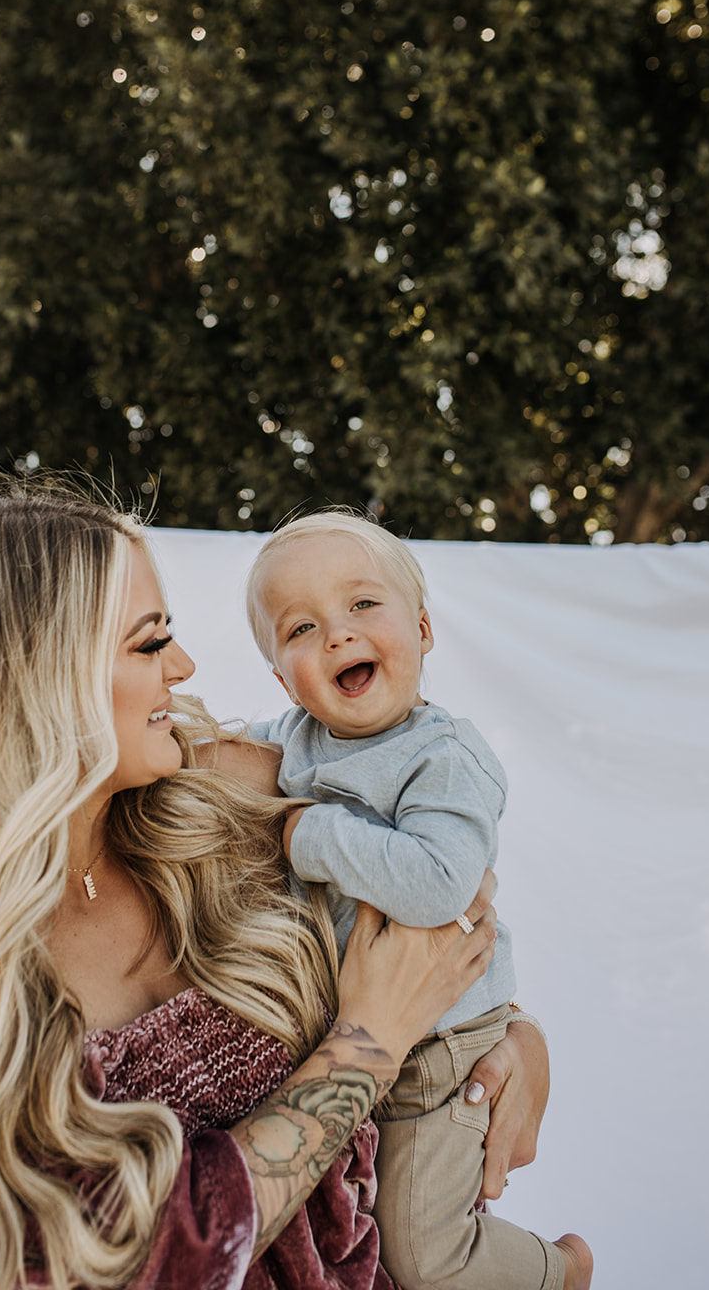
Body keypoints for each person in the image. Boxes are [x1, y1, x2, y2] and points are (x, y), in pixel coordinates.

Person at [0, 490, 555, 1290]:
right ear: (39, 678)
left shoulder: (221, 794)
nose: (184, 668)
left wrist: (510, 1039)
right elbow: (82, 1270)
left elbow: (434, 890)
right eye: (149, 642)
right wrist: (366, 1045)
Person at [244, 509, 592, 1290]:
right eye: (300, 627)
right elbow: (215, 761)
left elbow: (439, 887)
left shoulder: (442, 757)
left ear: (425, 630)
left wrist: (307, 836)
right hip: (360, 1043)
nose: (337, 633)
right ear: (279, 676)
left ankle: (558, 1272)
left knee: (422, 1258)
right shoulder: (292, 738)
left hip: (443, 1051)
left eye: (363, 605)